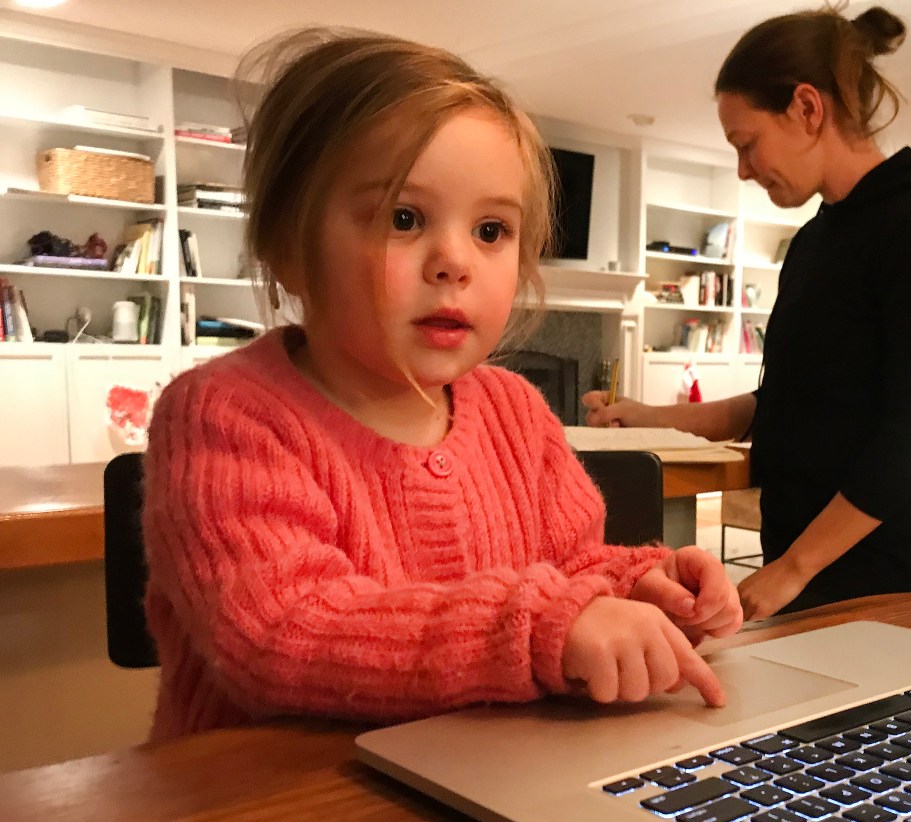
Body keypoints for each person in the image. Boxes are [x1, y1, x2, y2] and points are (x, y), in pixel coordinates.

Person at [142, 28, 741, 743]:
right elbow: (284, 632)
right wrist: (542, 628)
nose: (455, 260)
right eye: (404, 218)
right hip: (269, 819)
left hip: (488, 781)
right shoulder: (225, 414)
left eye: (492, 230)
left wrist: (639, 583)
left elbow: (571, 564)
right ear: (286, 246)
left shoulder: (515, 409)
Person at [583, 4, 911, 619]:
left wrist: (792, 570)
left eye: (747, 144)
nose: (743, 170)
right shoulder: (815, 240)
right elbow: (784, 404)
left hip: (876, 567)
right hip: (796, 551)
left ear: (806, 107)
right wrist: (647, 418)